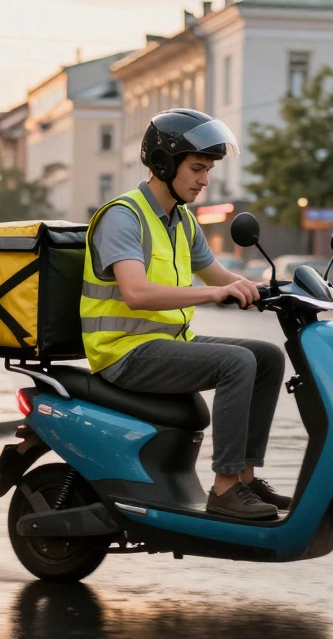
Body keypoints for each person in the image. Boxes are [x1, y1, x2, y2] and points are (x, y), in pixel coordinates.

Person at [82, 109, 287, 521]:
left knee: (268, 356)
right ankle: (225, 487)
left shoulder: (182, 221)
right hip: (122, 354)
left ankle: (244, 479)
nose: (204, 180)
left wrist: (278, 291)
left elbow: (221, 275)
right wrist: (216, 293)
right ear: (163, 163)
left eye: (208, 169)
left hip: (163, 345)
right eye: (197, 168)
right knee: (236, 362)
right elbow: (136, 293)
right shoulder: (124, 216)